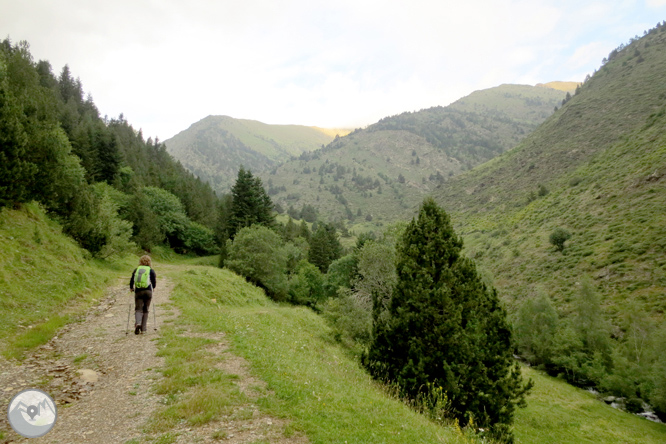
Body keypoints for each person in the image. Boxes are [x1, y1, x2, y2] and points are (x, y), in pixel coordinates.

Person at [129, 255, 157, 335]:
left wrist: (131, 288)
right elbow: (153, 280)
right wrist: (154, 287)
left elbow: (132, 280)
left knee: (138, 309)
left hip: (138, 291)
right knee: (146, 309)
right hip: (148, 291)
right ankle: (143, 329)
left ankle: (138, 323)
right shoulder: (151, 270)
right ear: (149, 262)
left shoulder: (136, 270)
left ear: (140, 261)